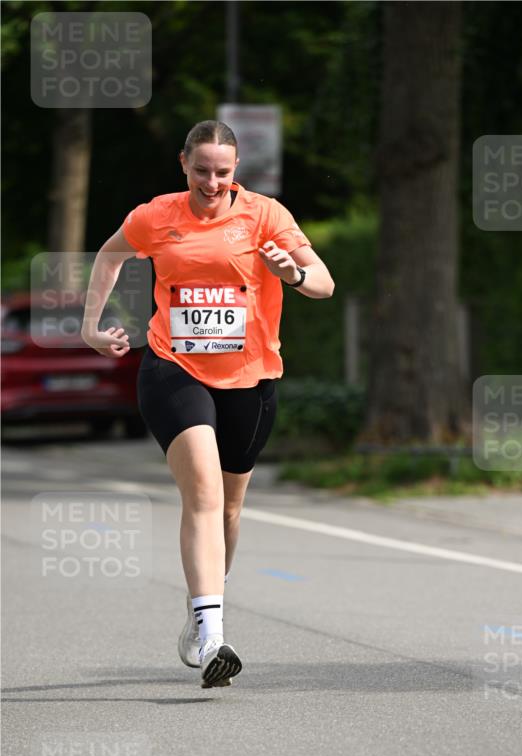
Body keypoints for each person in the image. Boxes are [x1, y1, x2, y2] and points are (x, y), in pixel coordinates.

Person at [80, 120, 334, 689]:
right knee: (203, 489)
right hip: (174, 368)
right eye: (201, 171)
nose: (212, 182)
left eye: (223, 172)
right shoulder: (156, 216)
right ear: (183, 164)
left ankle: (201, 611)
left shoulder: (266, 215)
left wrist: (291, 273)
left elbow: (324, 283)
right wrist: (92, 325)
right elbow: (109, 255)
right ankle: (212, 635)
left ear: (235, 169)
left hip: (249, 377)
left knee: (228, 510)